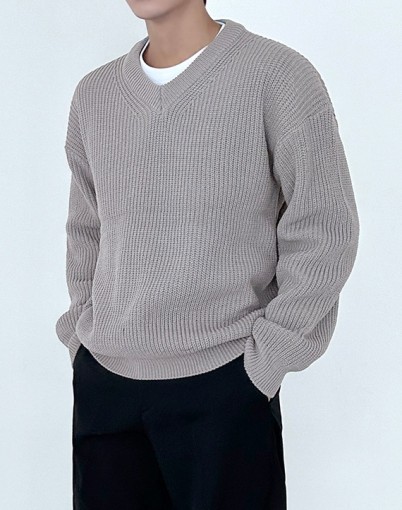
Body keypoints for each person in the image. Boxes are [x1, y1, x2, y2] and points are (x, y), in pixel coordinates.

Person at [55, 1, 360, 508]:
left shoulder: (278, 76)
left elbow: (324, 227)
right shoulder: (95, 94)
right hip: (105, 387)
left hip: (226, 382)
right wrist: (81, 339)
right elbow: (87, 227)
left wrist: (268, 358)